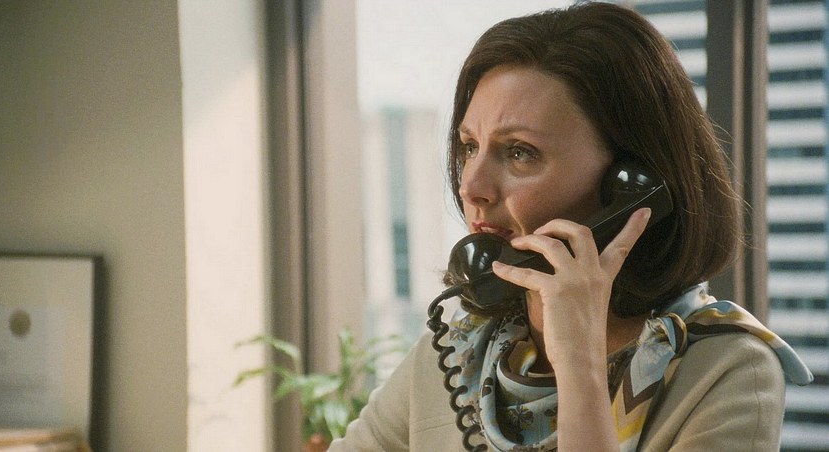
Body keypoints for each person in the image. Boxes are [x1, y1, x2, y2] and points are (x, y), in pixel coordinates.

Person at [329, 2, 813, 451]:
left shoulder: (728, 372)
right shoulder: (455, 351)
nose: (471, 186)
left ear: (631, 184)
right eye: (470, 147)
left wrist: (580, 365)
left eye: (519, 152)